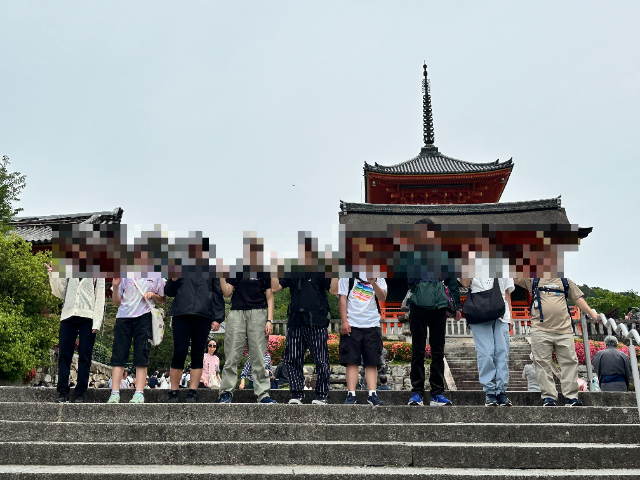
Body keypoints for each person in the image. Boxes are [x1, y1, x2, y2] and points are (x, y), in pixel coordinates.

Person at [515, 278, 599, 406]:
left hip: (564, 330)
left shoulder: (565, 282)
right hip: (540, 329)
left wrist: (593, 314)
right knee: (542, 363)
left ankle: (571, 397)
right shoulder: (532, 280)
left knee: (569, 362)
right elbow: (514, 277)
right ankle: (549, 397)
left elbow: (577, 298)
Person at [271, 275, 339, 405]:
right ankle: (296, 393)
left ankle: (322, 395)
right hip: (296, 321)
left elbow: (334, 290)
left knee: (322, 361)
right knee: (292, 360)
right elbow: (275, 288)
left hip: (317, 322)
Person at [47, 262, 106, 403]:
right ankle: (62, 392)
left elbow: (100, 296)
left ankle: (80, 393)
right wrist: (54, 274)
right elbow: (60, 292)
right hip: (68, 315)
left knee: (85, 356)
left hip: (88, 317)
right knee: (64, 355)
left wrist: (97, 322)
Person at [217, 271, 277, 404]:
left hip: (258, 313)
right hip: (237, 312)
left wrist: (269, 320)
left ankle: (263, 394)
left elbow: (269, 297)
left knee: (258, 356)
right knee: (232, 355)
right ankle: (226, 392)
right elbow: (227, 293)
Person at [164, 274, 224, 403]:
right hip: (181, 313)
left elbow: (217, 292)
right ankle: (173, 391)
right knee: (179, 351)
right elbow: (169, 291)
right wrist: (173, 279)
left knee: (198, 353)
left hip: (203, 314)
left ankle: (192, 392)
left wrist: (217, 318)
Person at [107, 276, 166, 404]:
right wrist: (116, 286)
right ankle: (114, 393)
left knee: (142, 354)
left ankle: (139, 393)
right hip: (124, 317)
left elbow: (163, 299)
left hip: (144, 317)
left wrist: (152, 295)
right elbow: (116, 301)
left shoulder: (156, 274)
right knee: (118, 355)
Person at [459, 278, 515, 407]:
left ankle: (501, 391)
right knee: (485, 352)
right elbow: (465, 283)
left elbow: (506, 292)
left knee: (502, 352)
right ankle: (490, 392)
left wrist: (510, 316)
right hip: (478, 311)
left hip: (501, 313)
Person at [406, 278, 461, 407]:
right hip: (418, 303)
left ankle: (437, 392)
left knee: (438, 351)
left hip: (439, 305)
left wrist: (457, 306)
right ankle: (417, 391)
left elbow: (452, 281)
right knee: (418, 350)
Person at [338, 277, 388, 406]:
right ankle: (351, 394)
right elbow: (342, 298)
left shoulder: (378, 275)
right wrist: (344, 321)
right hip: (352, 323)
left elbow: (382, 297)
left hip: (372, 324)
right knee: (351, 361)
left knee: (372, 361)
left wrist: (373, 283)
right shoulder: (347, 275)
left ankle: (372, 393)